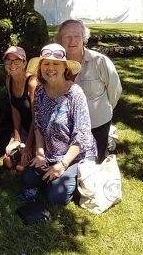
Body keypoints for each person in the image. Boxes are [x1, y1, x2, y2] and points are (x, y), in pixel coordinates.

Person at [23, 43, 97, 205]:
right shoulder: (40, 92)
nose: (50, 68)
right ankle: (51, 174)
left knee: (56, 196)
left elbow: (82, 136)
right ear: (41, 68)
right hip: (51, 153)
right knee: (28, 176)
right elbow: (38, 127)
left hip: (77, 155)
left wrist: (62, 165)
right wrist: (40, 155)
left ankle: (73, 177)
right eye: (46, 63)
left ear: (65, 67)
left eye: (56, 63)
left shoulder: (75, 94)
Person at [55, 19, 122, 162]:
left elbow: (114, 90)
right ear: (60, 40)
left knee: (97, 161)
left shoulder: (99, 61)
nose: (72, 40)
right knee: (74, 161)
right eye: (67, 36)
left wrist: (104, 109)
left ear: (84, 38)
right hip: (68, 127)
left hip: (97, 123)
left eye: (77, 36)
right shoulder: (56, 64)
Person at [2, 46, 37, 171]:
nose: (12, 65)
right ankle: (21, 154)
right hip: (23, 130)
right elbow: (15, 110)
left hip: (37, 131)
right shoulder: (9, 80)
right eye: (8, 61)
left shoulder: (32, 82)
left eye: (17, 61)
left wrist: (28, 146)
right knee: (7, 162)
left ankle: (29, 154)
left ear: (24, 63)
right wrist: (17, 137)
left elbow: (36, 118)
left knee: (21, 167)